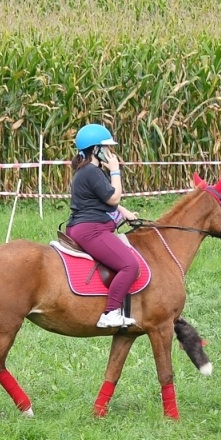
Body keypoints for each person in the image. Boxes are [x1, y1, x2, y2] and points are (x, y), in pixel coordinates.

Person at [65, 123, 141, 329]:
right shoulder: (92, 171)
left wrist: (125, 213)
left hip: (82, 226)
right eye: (106, 147)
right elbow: (113, 198)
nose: (110, 152)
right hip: (91, 229)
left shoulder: (88, 171)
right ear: (95, 149)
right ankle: (110, 313)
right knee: (130, 265)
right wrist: (116, 172)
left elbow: (101, 199)